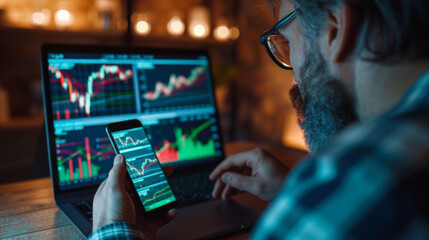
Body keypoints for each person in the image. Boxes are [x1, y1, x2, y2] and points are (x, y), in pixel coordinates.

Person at [89, 0, 429, 239]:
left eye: (285, 40)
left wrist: (113, 232)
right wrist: (293, 192)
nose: (292, 69)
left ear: (336, 26)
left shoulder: (364, 182)